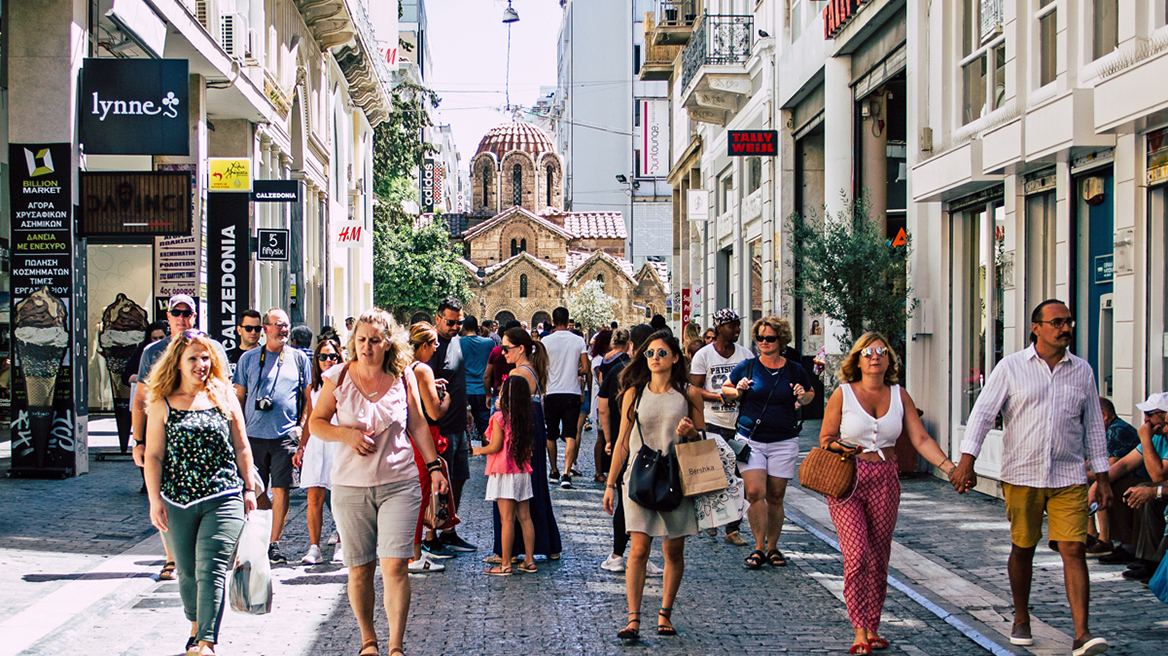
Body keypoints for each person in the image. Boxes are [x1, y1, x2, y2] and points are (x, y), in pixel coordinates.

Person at [951, 299, 1111, 656]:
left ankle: (1081, 633)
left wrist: (1103, 476)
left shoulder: (1082, 371)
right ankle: (1021, 617)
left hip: (1069, 474)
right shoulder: (1010, 367)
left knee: (1074, 548)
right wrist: (966, 461)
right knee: (1023, 547)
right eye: (1056, 322)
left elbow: (1093, 430)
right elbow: (981, 415)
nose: (1065, 328)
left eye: (1068, 321)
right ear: (1036, 327)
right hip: (1022, 473)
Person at [309, 309, 448, 656]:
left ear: (388, 343)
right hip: (350, 487)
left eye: (374, 340)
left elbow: (417, 423)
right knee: (360, 569)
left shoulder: (403, 377)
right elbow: (316, 423)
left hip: (399, 482)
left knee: (395, 564)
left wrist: (434, 467)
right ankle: (368, 641)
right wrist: (345, 434)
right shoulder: (337, 377)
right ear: (353, 343)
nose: (367, 347)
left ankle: (396, 646)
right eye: (361, 340)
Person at [817, 331, 957, 655]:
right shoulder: (843, 394)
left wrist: (950, 469)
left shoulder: (899, 395)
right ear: (858, 359)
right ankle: (859, 630)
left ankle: (873, 625)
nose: (875, 356)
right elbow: (825, 437)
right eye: (868, 352)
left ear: (889, 359)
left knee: (879, 555)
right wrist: (841, 445)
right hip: (848, 477)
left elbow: (920, 439)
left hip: (885, 478)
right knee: (857, 555)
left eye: (881, 351)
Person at [142, 329, 257, 656]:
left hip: (224, 497)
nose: (201, 364)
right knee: (188, 573)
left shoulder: (224, 394)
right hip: (177, 500)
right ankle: (195, 626)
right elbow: (153, 456)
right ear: (177, 362)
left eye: (205, 358)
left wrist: (249, 487)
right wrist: (154, 499)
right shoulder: (162, 403)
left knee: (211, 569)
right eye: (193, 358)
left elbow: (241, 445)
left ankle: (205, 640)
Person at [603, 331, 704, 640]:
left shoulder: (690, 394)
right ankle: (633, 619)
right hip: (638, 476)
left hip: (676, 477)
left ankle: (665, 614)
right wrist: (610, 483)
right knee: (638, 549)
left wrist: (690, 433)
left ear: (675, 357)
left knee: (673, 550)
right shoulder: (634, 392)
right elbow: (623, 441)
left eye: (662, 353)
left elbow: (701, 441)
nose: (655, 358)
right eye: (649, 354)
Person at [132, 295, 230, 580]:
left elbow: (225, 391)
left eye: (187, 313)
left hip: (204, 433)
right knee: (164, 492)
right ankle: (172, 557)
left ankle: (198, 554)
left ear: (195, 316)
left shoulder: (213, 349)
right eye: (177, 312)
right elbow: (141, 397)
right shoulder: (153, 351)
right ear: (168, 315)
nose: (182, 318)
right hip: (165, 431)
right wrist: (138, 440)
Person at [721, 316, 814, 568]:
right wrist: (737, 390)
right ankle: (759, 547)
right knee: (754, 492)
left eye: (769, 338)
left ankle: (773, 547)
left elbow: (809, 396)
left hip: (784, 440)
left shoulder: (794, 369)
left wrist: (802, 397)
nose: (764, 342)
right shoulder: (748, 367)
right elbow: (725, 390)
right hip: (751, 439)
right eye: (760, 338)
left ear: (781, 340)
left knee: (775, 495)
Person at [233, 307, 313, 565]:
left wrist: (301, 427)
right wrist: (237, 432)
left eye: (286, 325)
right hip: (253, 435)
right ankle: (257, 534)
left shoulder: (299, 359)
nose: (283, 330)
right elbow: (238, 397)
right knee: (255, 488)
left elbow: (307, 398)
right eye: (277, 325)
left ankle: (273, 544)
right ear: (265, 328)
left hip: (284, 435)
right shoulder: (248, 359)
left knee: (282, 490)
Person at [489, 327, 562, 562]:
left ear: (521, 348)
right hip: (534, 431)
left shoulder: (518, 374)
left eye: (507, 348)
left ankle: (507, 552)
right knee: (534, 488)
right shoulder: (532, 370)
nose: (502, 353)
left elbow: (509, 409)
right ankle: (546, 544)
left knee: (512, 494)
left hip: (520, 435)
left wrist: (500, 406)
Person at [597, 324, 663, 575]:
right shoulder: (649, 378)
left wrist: (608, 437)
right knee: (640, 501)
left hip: (627, 445)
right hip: (646, 449)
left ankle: (622, 554)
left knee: (629, 501)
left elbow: (603, 407)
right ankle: (632, 554)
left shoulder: (618, 371)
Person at [689, 308, 751, 546]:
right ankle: (711, 520)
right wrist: (719, 398)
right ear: (719, 328)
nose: (737, 329)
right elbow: (694, 389)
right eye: (732, 325)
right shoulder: (703, 355)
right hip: (712, 422)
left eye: (738, 325)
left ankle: (733, 528)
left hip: (739, 424)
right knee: (714, 476)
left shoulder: (745, 356)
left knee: (739, 477)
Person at [1092, 392, 1168, 584]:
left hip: (1162, 486)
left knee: (1148, 492)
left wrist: (1145, 439)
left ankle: (1151, 560)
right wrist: (1100, 484)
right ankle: (1132, 548)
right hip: (1161, 486)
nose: (1146, 420)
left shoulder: (1149, 436)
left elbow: (1158, 474)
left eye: (1151, 414)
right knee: (1117, 487)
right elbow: (1124, 464)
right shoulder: (1156, 436)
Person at [472, 375, 537, 575]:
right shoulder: (527, 418)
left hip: (503, 471)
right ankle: (529, 559)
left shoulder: (499, 418)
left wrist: (478, 451)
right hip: (522, 471)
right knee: (525, 517)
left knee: (506, 520)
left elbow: (496, 446)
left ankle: (506, 563)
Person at [431, 297, 476, 553]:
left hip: (459, 423)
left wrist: (467, 407)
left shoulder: (457, 342)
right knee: (441, 483)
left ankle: (449, 529)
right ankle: (432, 535)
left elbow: (459, 378)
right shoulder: (433, 347)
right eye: (450, 322)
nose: (455, 327)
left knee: (459, 478)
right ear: (438, 318)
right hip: (442, 427)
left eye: (459, 322)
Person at [293, 337, 343, 565]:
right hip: (316, 445)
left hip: (337, 442)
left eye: (332, 356)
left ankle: (342, 543)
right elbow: (311, 418)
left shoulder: (345, 383)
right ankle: (315, 547)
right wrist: (301, 447)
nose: (328, 360)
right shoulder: (314, 387)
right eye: (323, 356)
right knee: (314, 496)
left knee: (340, 498)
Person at [408, 322, 453, 568]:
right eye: (434, 343)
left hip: (405, 438)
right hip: (424, 438)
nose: (437, 348)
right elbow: (434, 412)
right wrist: (447, 400)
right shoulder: (422, 368)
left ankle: (413, 552)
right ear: (423, 345)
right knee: (421, 496)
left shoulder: (403, 366)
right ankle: (414, 556)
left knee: (414, 496)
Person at [1086, 397, 1145, 559]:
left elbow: (1113, 466)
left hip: (1135, 480)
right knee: (1082, 480)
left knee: (1104, 485)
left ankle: (1105, 540)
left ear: (1103, 415)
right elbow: (1091, 462)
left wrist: (1095, 480)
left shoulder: (1118, 430)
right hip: (1123, 477)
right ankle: (1092, 535)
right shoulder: (1103, 432)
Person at [542, 307, 590, 489]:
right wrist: (573, 370)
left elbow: (542, 367)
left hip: (552, 392)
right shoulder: (578, 341)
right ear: (568, 319)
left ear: (552, 322)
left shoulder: (546, 341)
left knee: (551, 434)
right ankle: (566, 473)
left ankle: (553, 470)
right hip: (572, 391)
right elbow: (585, 368)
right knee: (570, 433)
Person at [460, 315, 495, 443]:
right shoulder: (489, 343)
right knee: (485, 426)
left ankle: (467, 446)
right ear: (478, 328)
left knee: (464, 425)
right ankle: (488, 450)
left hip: (465, 390)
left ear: (463, 328)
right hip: (483, 390)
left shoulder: (459, 343)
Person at [590, 329, 617, 483]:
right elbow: (603, 379)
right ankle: (598, 471)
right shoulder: (599, 360)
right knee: (601, 436)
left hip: (604, 399)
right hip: (601, 401)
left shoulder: (603, 358)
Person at [225, 310, 263, 379]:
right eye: (248, 328)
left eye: (257, 329)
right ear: (239, 330)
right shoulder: (228, 357)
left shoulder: (266, 355)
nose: (253, 332)